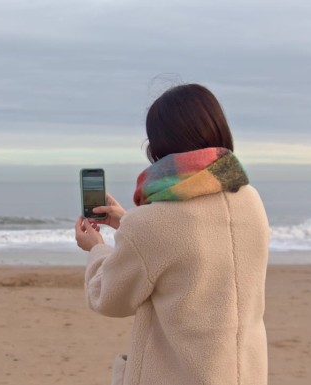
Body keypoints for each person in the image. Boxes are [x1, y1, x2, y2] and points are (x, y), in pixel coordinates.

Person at [74, 84, 269, 385]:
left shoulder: (151, 223)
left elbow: (107, 297)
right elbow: (194, 245)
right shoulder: (250, 199)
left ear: (158, 147)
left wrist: (96, 248)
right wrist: (128, 224)